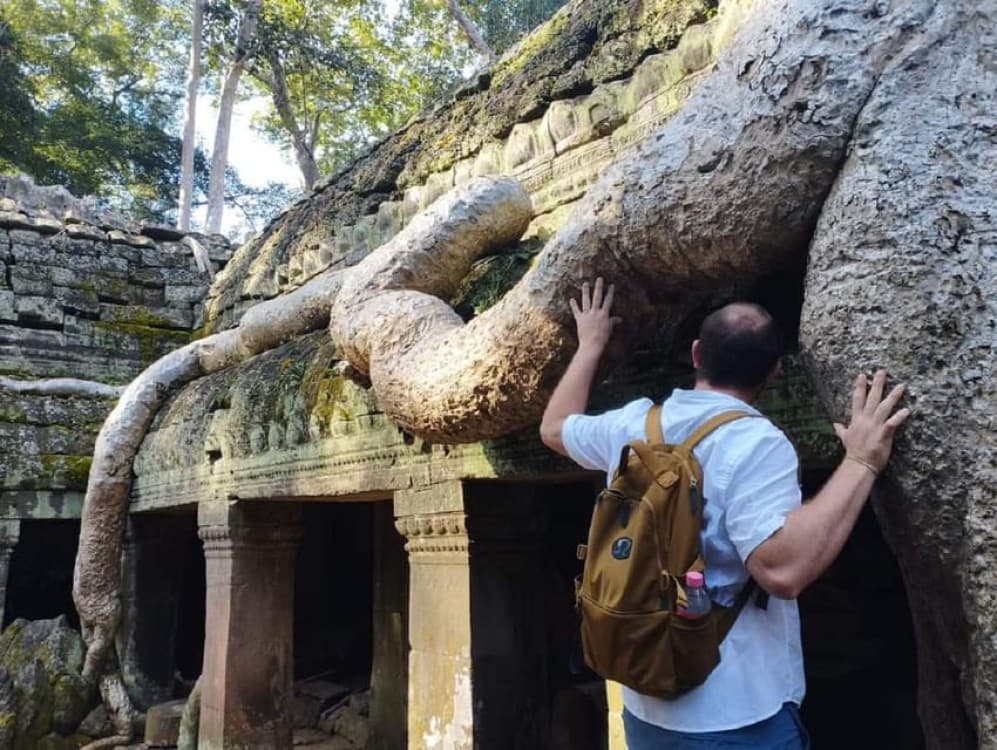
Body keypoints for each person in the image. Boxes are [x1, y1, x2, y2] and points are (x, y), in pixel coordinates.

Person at [539, 278, 911, 749]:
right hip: (735, 714)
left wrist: (591, 342)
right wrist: (860, 462)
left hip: (644, 704)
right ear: (775, 371)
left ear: (697, 354)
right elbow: (781, 570)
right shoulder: (757, 443)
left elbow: (554, 428)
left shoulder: (633, 424)